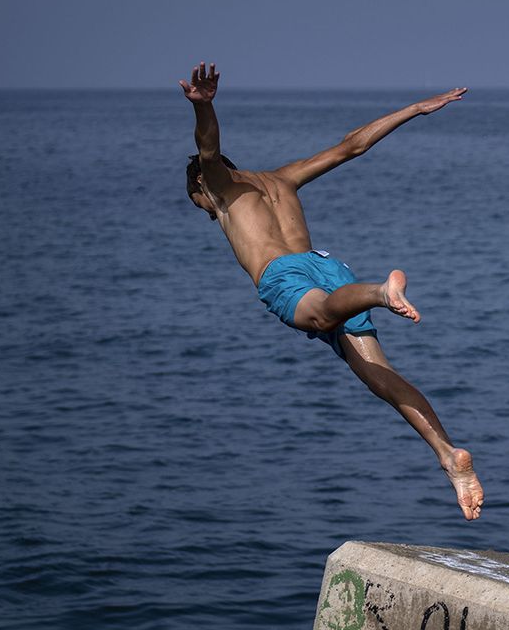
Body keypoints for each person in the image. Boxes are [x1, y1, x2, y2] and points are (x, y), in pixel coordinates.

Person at [180, 62, 484, 520]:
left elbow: (208, 150)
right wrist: (416, 109)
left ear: (203, 186)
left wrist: (205, 108)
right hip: (329, 268)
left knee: (321, 316)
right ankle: (448, 455)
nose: (206, 212)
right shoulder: (284, 178)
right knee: (379, 376)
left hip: (287, 276)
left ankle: (381, 292)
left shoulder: (218, 184)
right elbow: (352, 146)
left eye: (199, 204)